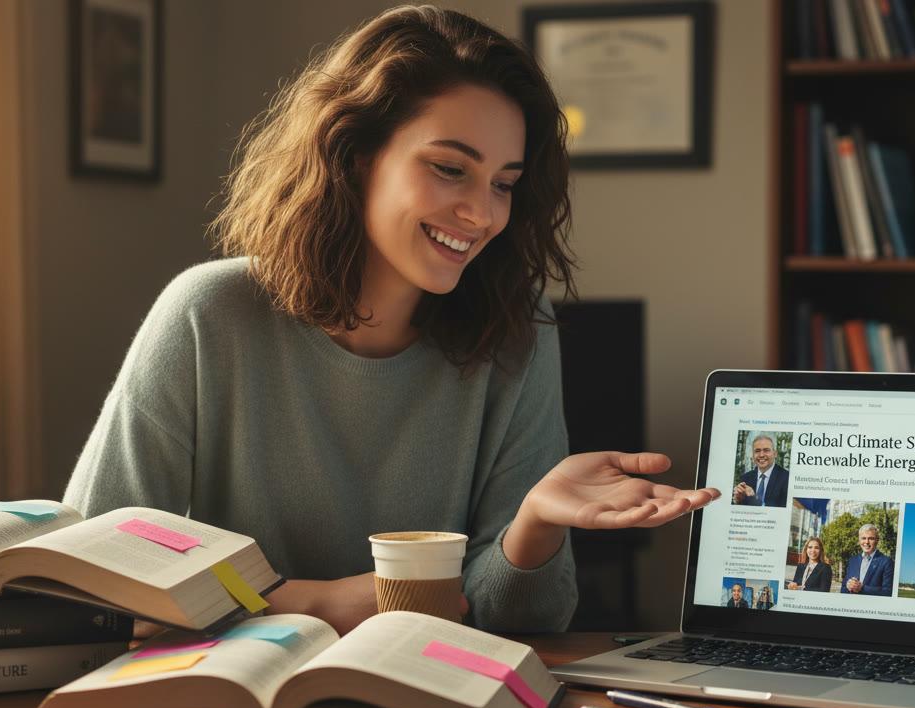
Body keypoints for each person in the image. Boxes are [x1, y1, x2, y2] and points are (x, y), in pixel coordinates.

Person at [62, 6, 720, 637]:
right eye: (449, 169)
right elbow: (91, 576)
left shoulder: (517, 328)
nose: (482, 213)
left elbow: (524, 620)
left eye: (503, 182)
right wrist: (311, 601)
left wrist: (535, 523)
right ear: (355, 155)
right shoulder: (208, 315)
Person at [732, 434, 789, 507]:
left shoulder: (786, 478)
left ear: (775, 454)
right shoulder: (745, 478)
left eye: (766, 450)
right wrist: (737, 500)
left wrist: (754, 500)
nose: (761, 455)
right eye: (757, 451)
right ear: (753, 454)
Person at [841, 524, 894, 596]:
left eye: (871, 538)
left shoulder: (887, 562)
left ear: (877, 541)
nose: (866, 542)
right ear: (859, 540)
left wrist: (862, 588)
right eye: (863, 538)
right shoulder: (852, 560)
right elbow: (843, 589)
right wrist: (848, 586)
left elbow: (888, 592)